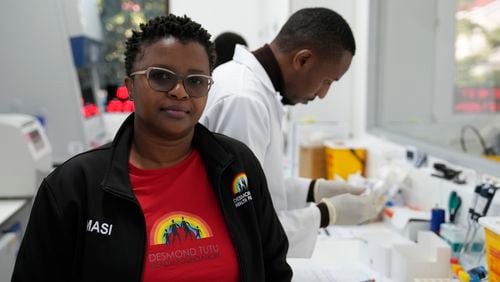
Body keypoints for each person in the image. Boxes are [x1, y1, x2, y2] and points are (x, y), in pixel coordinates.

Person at [12, 14, 292, 281]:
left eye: (196, 81)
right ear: (130, 86)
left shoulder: (237, 165)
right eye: (161, 76)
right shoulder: (72, 187)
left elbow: (274, 267)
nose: (180, 92)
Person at [201, 7, 381, 258]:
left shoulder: (247, 84)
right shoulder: (245, 101)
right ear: (303, 60)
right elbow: (244, 221)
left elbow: (256, 186)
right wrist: (326, 213)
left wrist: (314, 189)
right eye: (327, 80)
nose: (322, 93)